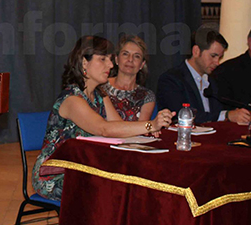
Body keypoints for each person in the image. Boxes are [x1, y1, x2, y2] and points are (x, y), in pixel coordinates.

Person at [31, 35, 174, 201]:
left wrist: (148, 131)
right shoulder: (72, 99)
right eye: (103, 59)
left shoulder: (100, 94)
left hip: (84, 167)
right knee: (114, 191)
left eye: (110, 59)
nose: (111, 65)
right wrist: (150, 125)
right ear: (84, 62)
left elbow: (118, 126)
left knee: (132, 183)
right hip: (56, 173)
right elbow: (104, 129)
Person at [157, 27, 251, 124]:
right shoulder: (171, 79)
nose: (217, 62)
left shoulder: (214, 80)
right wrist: (226, 115)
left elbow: (220, 110)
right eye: (213, 56)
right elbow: (181, 115)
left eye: (220, 57)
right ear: (196, 51)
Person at [104, 35, 156, 121]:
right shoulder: (101, 87)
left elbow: (142, 127)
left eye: (136, 56)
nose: (130, 59)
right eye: (125, 54)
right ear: (116, 59)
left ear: (142, 64)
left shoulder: (147, 96)